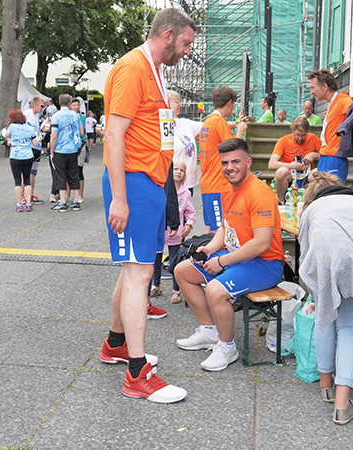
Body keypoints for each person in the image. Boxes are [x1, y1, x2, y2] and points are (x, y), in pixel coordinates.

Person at [100, 7, 196, 403]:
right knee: (140, 275)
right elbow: (114, 136)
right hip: (135, 184)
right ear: (168, 34)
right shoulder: (132, 67)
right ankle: (137, 374)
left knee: (134, 271)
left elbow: (148, 130)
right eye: (187, 43)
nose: (188, 51)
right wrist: (120, 199)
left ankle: (116, 344)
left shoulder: (153, 69)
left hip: (150, 182)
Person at [175, 138, 284, 371]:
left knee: (215, 290)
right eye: (225, 163)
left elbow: (262, 243)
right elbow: (225, 227)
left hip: (265, 264)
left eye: (236, 161)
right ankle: (209, 331)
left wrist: (221, 260)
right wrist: (211, 249)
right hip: (237, 257)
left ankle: (227, 347)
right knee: (182, 271)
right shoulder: (227, 188)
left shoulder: (259, 192)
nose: (230, 167)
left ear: (248, 162)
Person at [297, 172, 353, 425]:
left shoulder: (313, 208)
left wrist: (315, 288)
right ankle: (342, 405)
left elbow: (305, 251)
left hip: (329, 253)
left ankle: (326, 388)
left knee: (324, 317)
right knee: (348, 326)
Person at [198, 85, 246, 233]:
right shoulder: (219, 122)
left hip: (208, 183)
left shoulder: (209, 121)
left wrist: (235, 124)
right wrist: (240, 129)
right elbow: (234, 150)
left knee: (209, 229)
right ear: (230, 103)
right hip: (217, 184)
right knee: (219, 232)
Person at [308, 68, 353, 183]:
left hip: (334, 159)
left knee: (331, 196)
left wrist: (345, 126)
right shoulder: (332, 104)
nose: (311, 92)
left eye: (312, 88)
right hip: (325, 157)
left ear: (324, 87)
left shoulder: (341, 100)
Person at [151, 159, 195, 304]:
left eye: (181, 170)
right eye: (175, 169)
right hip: (160, 231)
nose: (177, 172)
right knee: (156, 261)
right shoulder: (161, 189)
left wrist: (188, 225)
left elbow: (190, 212)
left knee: (175, 263)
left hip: (176, 234)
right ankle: (155, 285)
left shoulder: (186, 193)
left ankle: (176, 290)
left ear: (184, 175)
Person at [268, 116, 321, 199]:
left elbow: (325, 157)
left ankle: (313, 201)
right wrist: (293, 166)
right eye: (297, 135)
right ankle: (281, 202)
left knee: (319, 172)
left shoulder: (313, 138)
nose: (300, 138)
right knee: (281, 172)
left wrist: (314, 154)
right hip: (289, 178)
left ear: (307, 131)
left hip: (306, 178)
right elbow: (271, 164)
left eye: (303, 135)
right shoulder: (283, 141)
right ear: (292, 130)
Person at [48, 94, 82, 212]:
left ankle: (62, 201)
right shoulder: (75, 115)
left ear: (59, 102)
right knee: (74, 174)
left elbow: (54, 135)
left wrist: (51, 150)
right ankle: (76, 200)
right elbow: (80, 132)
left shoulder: (56, 116)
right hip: (73, 149)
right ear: (69, 103)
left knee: (60, 175)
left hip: (60, 149)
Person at [4, 109, 40, 212]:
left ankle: (19, 204)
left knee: (17, 181)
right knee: (27, 180)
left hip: (16, 156)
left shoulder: (12, 127)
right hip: (28, 156)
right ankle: (28, 204)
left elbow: (6, 136)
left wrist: (11, 140)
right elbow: (35, 143)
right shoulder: (30, 128)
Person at [167, 90, 201, 195]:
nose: (180, 104)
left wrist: (236, 124)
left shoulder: (185, 124)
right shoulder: (162, 128)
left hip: (188, 183)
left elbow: (210, 125)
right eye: (177, 102)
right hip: (173, 183)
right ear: (167, 104)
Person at [24, 96, 44, 204]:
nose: (43, 108)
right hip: (29, 147)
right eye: (41, 106)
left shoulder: (37, 116)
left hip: (37, 147)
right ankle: (24, 196)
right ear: (35, 104)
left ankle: (31, 195)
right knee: (26, 173)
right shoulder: (26, 114)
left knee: (33, 173)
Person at [71, 98, 87, 203]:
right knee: (69, 171)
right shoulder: (67, 116)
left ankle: (80, 195)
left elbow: (82, 132)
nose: (76, 107)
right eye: (74, 105)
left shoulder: (82, 117)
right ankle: (67, 194)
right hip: (70, 145)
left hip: (81, 145)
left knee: (79, 170)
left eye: (78, 105)